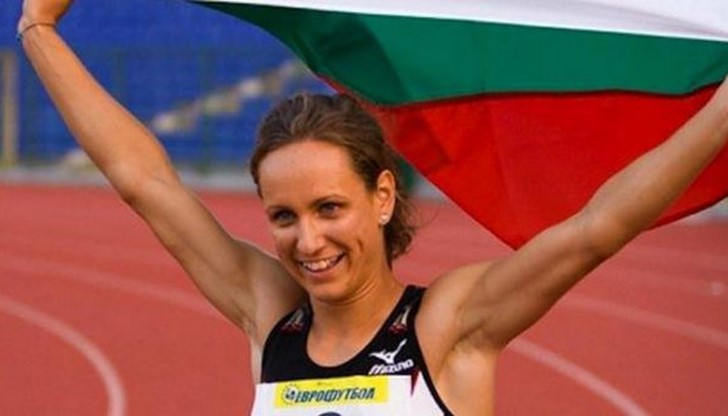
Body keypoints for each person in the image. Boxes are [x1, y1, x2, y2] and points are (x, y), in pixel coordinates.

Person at [17, 0, 728, 415]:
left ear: (383, 195)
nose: (308, 240)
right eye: (284, 216)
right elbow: (146, 183)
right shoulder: (270, 316)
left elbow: (598, 227)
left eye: (330, 208)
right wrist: (37, 30)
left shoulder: (449, 325)